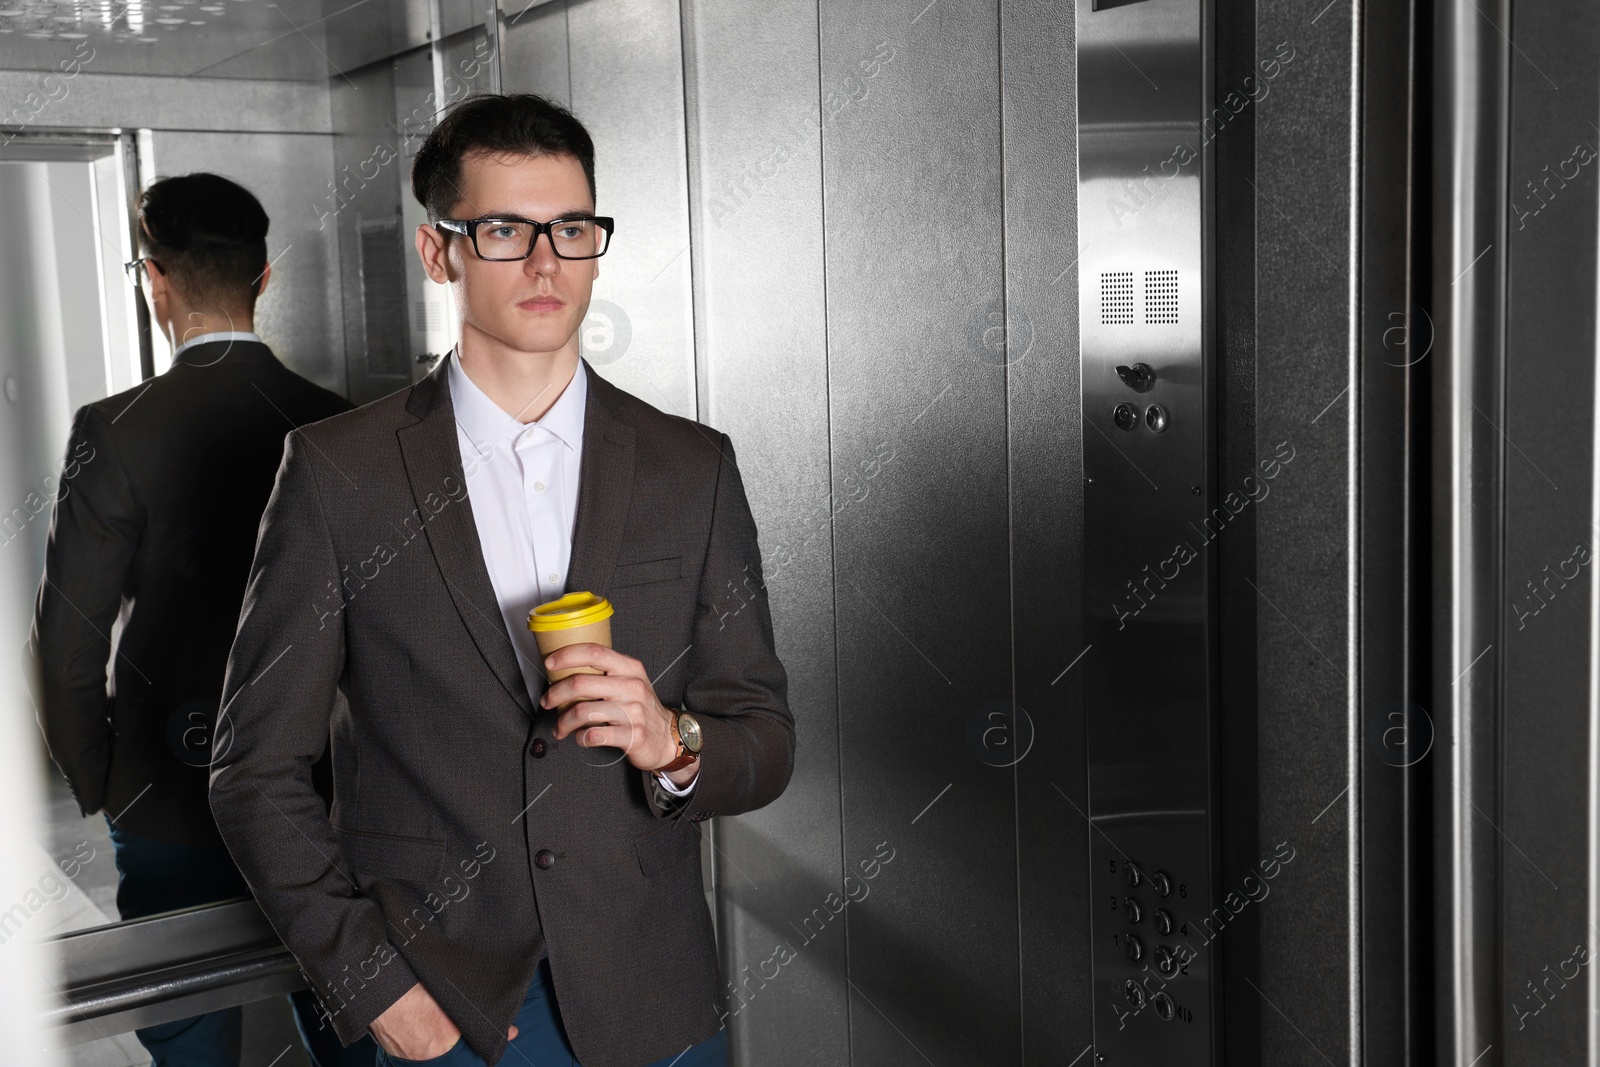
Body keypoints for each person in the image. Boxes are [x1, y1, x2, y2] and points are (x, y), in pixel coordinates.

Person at [208, 92, 795, 1067]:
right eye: (503, 230)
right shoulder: (334, 471)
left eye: (569, 228)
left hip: (648, 1002)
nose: (544, 262)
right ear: (439, 251)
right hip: (436, 1006)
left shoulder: (691, 464)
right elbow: (254, 770)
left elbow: (764, 736)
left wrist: (672, 738)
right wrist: (370, 982)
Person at [27, 171, 379, 1066]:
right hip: (322, 792)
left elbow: (67, 642)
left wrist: (106, 780)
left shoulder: (117, 426)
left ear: (156, 281)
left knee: (183, 1026)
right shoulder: (345, 424)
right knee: (346, 1012)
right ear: (263, 280)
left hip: (166, 789)